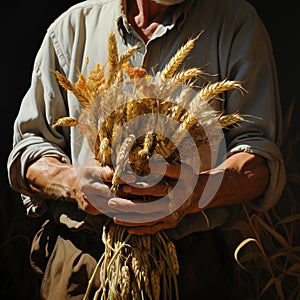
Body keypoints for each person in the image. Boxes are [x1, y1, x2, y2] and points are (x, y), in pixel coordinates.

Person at [7, 0, 286, 299]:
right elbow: (29, 150)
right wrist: (74, 184)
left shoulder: (235, 22)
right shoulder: (72, 28)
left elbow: (261, 160)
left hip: (193, 270)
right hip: (83, 268)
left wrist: (197, 191)